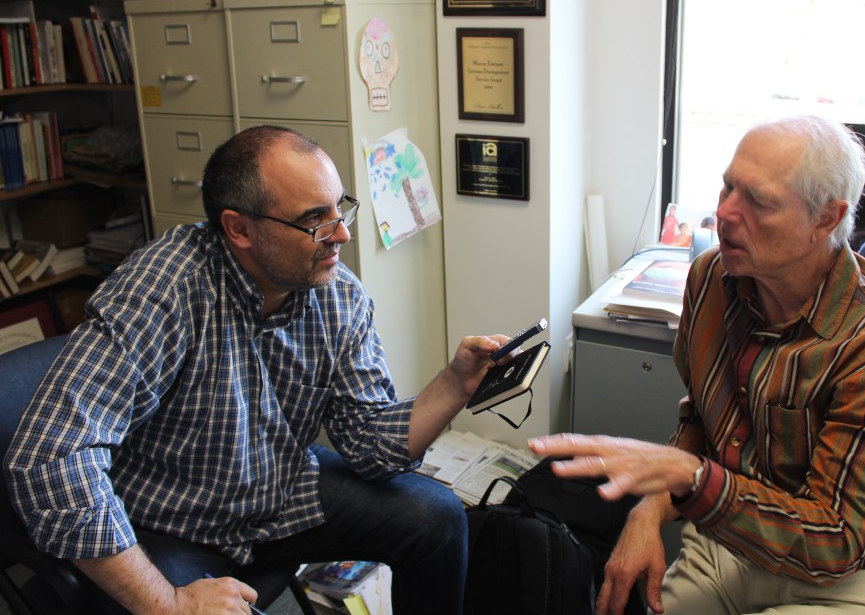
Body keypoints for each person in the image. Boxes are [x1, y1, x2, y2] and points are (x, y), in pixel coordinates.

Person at [5, 126, 511, 615]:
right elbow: (49, 456)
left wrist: (455, 383)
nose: (342, 233)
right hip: (166, 522)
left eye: (340, 207)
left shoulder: (337, 293)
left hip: (276, 492)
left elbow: (369, 445)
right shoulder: (161, 292)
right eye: (315, 219)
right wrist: (168, 605)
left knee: (436, 517)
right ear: (239, 229)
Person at [530, 114, 865, 615]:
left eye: (758, 201)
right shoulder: (712, 279)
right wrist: (648, 510)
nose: (724, 212)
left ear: (826, 219)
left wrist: (690, 478)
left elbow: (837, 543)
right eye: (727, 186)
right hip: (740, 543)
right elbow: (702, 418)